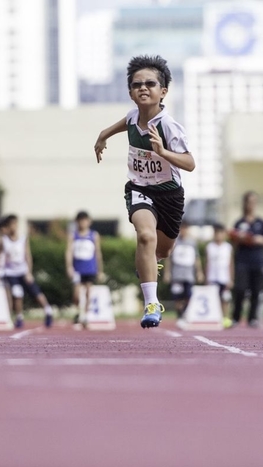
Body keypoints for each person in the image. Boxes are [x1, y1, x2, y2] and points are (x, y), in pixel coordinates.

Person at [94, 55, 195, 328]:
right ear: (130, 92)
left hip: (170, 194)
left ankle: (153, 261)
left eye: (150, 83)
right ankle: (151, 303)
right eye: (137, 84)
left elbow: (190, 163)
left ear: (163, 91)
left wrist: (163, 152)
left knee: (162, 250)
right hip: (139, 189)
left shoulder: (168, 126)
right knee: (145, 235)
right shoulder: (131, 117)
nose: (143, 88)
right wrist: (103, 136)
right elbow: (119, 126)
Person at [2, 214, 53, 328]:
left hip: (23, 271)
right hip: (11, 272)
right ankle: (19, 317)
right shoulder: (4, 240)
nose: (13, 227)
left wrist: (29, 272)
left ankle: (48, 311)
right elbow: (1, 257)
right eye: (11, 225)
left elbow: (27, 255)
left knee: (36, 292)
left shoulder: (23, 239)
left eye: (15, 224)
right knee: (17, 292)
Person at [229, 191, 263, 327]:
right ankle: (236, 317)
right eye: (249, 201)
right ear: (245, 203)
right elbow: (233, 242)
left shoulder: (261, 222)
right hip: (242, 261)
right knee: (240, 289)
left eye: (254, 202)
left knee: (256, 291)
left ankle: (252, 318)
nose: (251, 204)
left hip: (258, 261)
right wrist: (240, 238)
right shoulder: (239, 222)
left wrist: (260, 240)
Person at [65, 210, 104, 327]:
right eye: (80, 221)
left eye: (85, 221)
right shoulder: (73, 235)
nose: (83, 223)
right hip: (77, 268)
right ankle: (78, 311)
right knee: (76, 293)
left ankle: (85, 316)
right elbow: (69, 251)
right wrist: (69, 267)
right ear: (77, 222)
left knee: (88, 292)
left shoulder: (94, 235)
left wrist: (100, 270)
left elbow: (97, 252)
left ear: (89, 222)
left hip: (90, 268)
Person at [163, 221, 204, 319]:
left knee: (188, 295)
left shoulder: (192, 242)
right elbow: (169, 259)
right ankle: (179, 315)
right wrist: (167, 273)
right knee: (177, 296)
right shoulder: (174, 242)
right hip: (177, 275)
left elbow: (196, 258)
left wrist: (199, 272)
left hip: (188, 275)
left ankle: (185, 311)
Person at [205, 223, 234, 327]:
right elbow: (207, 263)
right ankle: (214, 317)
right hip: (213, 277)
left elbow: (230, 264)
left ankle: (225, 317)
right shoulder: (210, 247)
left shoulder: (228, 247)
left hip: (224, 277)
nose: (218, 236)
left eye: (220, 233)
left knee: (225, 299)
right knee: (214, 299)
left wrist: (231, 278)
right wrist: (206, 277)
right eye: (216, 233)